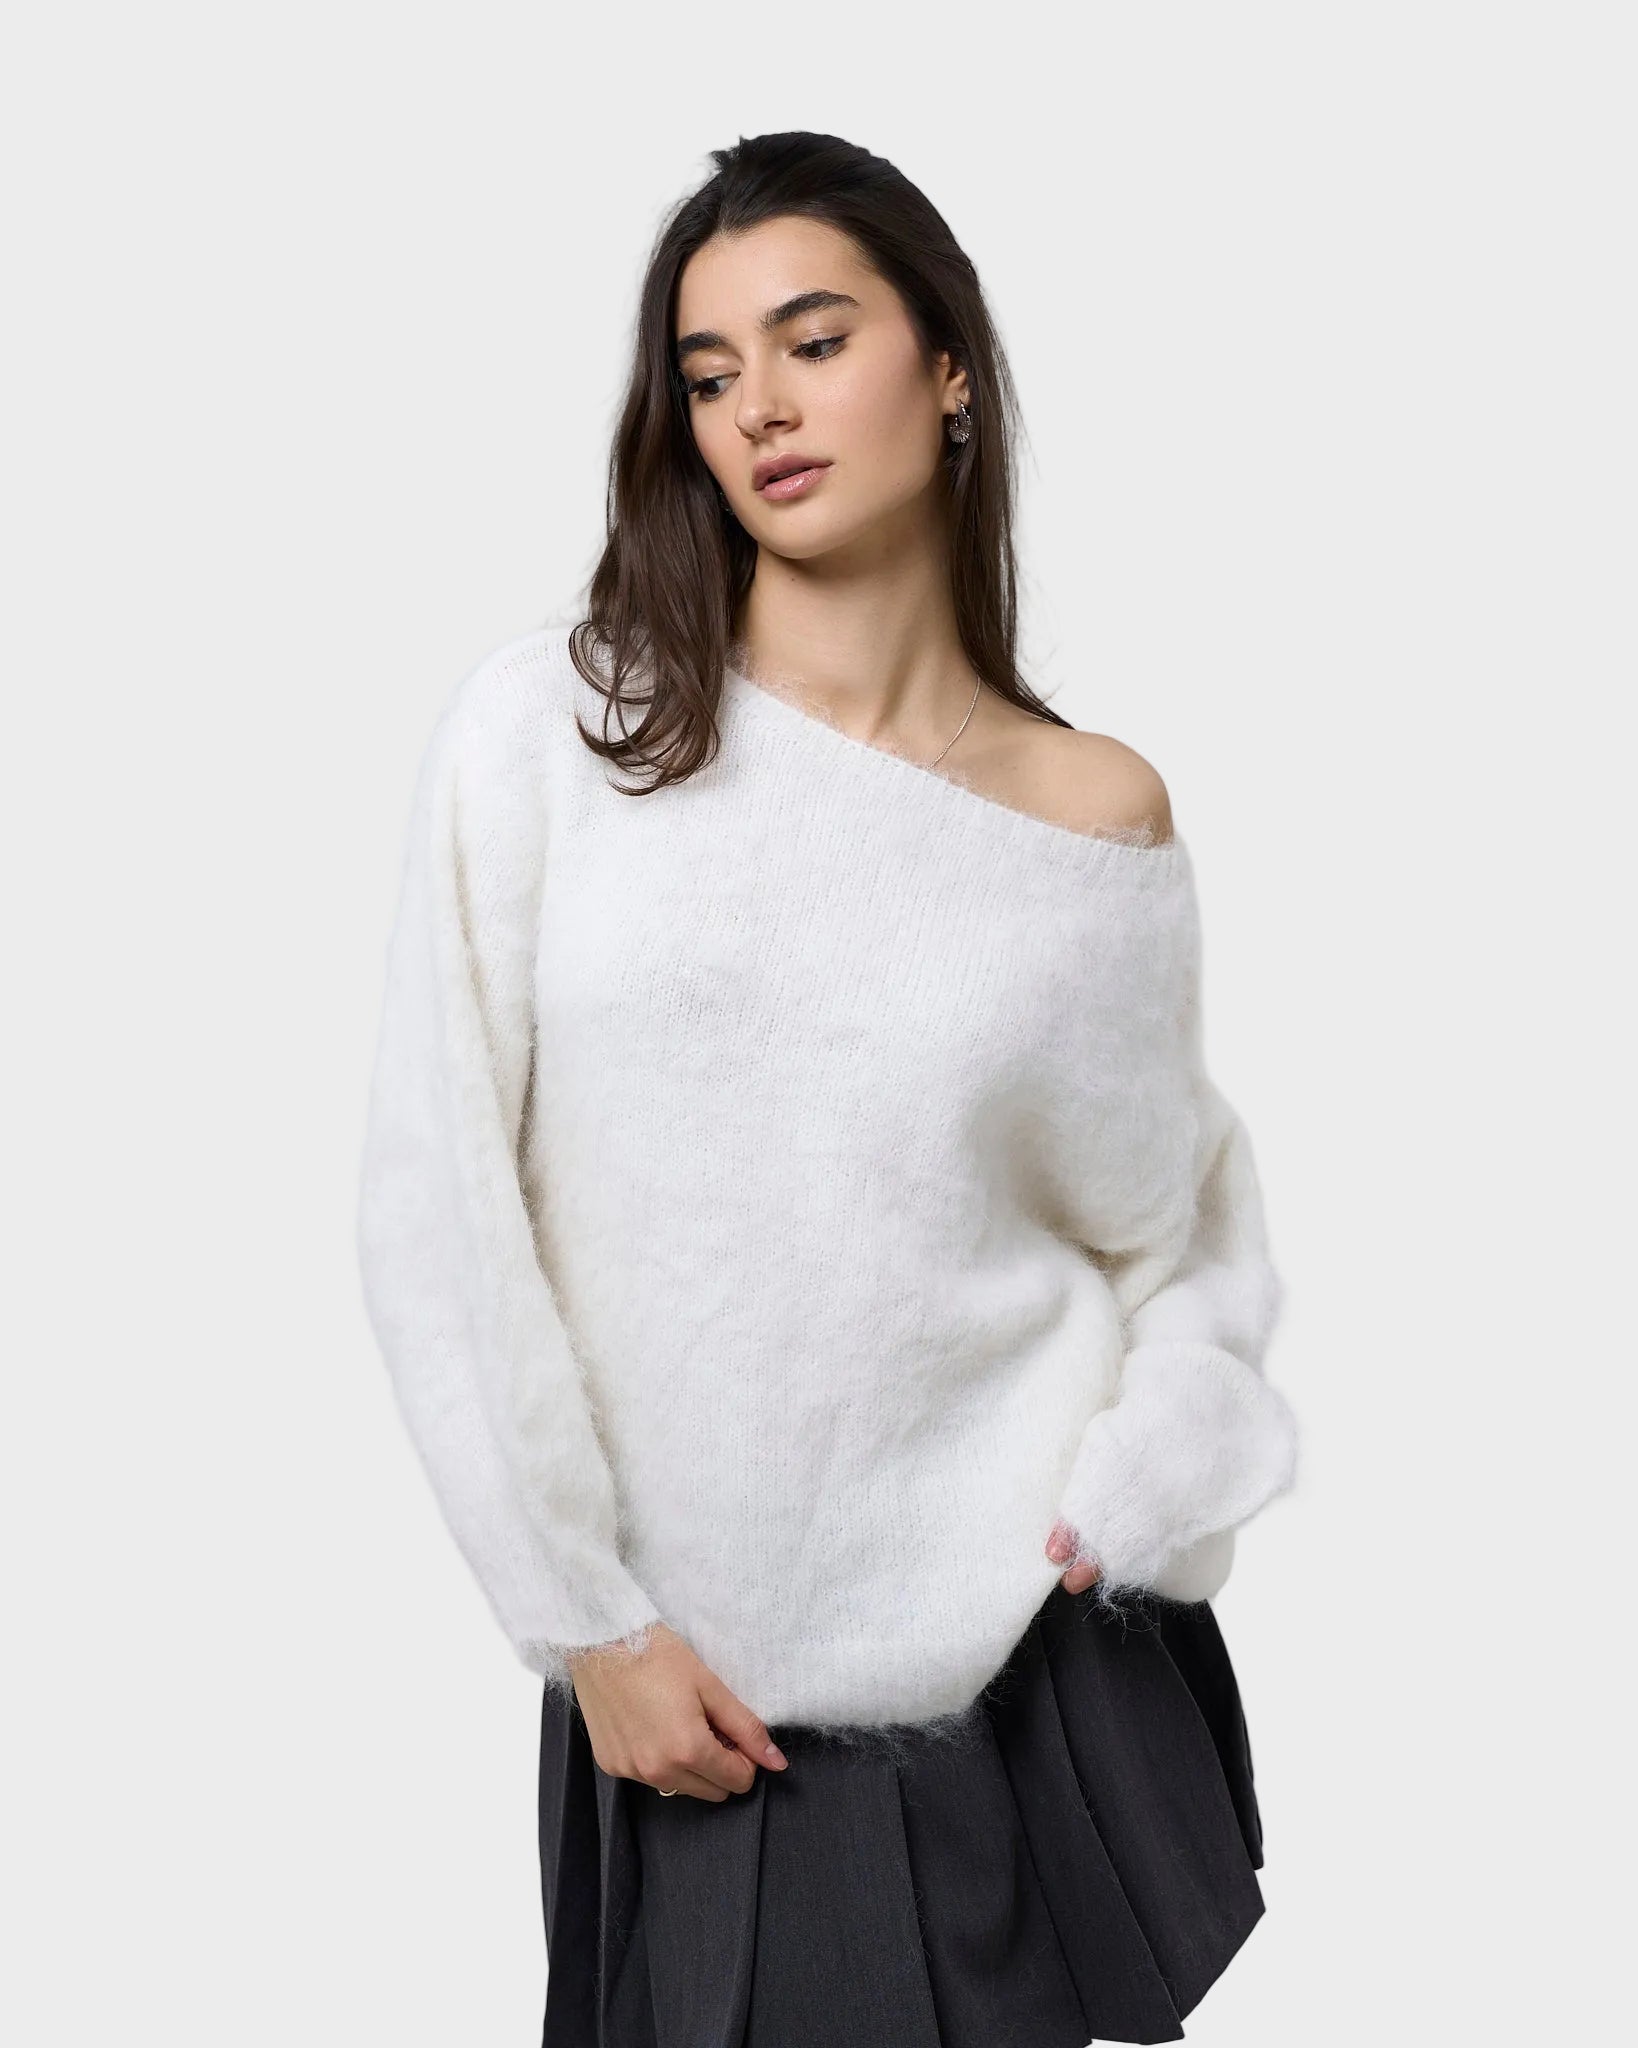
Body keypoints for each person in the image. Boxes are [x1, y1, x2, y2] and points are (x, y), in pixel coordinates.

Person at [356, 130, 1300, 2048]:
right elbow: (436, 1204)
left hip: (1024, 1696)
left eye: (812, 341)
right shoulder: (564, 735)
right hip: (692, 1714)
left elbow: (1169, 1223)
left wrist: (1154, 1469)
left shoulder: (1090, 813)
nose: (760, 410)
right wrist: (585, 1621)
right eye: (709, 375)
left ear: (947, 365)